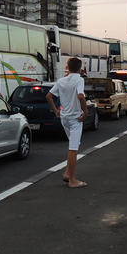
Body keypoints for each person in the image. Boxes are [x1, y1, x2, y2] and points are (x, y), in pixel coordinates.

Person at [46, 57, 89, 188]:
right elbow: (81, 96)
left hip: (64, 118)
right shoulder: (79, 80)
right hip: (75, 119)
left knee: (73, 145)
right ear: (80, 68)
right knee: (73, 149)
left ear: (67, 67)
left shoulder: (61, 80)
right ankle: (72, 180)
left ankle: (67, 173)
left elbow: (49, 96)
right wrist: (85, 112)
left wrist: (55, 111)